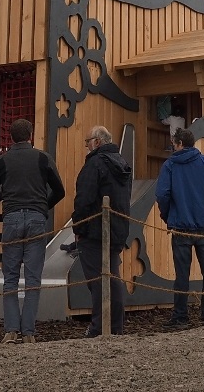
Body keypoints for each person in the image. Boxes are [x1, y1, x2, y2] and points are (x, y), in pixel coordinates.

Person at [0, 118, 66, 344]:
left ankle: (11, 330)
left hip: (11, 218)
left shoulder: (2, 161)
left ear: (11, 137)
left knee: (10, 277)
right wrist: (42, 205)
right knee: (32, 278)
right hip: (37, 218)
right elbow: (60, 190)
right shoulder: (42, 158)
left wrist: (7, 195)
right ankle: (28, 332)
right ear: (31, 134)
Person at [155, 127, 204, 328]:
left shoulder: (170, 165)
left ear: (178, 144)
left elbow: (162, 195)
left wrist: (167, 214)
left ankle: (180, 317)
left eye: (173, 143)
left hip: (181, 225)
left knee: (181, 275)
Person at [72, 125, 132, 337]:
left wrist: (78, 227)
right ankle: (115, 326)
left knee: (97, 282)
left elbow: (85, 199)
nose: (86, 146)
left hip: (94, 230)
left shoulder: (95, 164)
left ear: (97, 142)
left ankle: (99, 327)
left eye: (87, 141)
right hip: (117, 228)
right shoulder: (123, 164)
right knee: (112, 278)